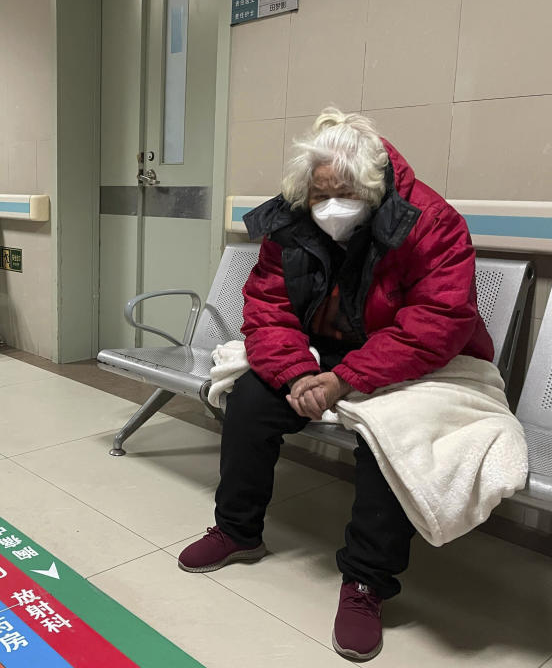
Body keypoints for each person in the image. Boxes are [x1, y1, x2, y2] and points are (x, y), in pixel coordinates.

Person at [177, 108, 493, 662]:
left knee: (387, 432)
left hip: (414, 359)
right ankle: (238, 530)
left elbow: (436, 324)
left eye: (342, 194)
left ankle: (367, 582)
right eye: (319, 195)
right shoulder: (293, 220)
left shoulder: (431, 222)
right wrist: (298, 372)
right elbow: (267, 307)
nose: (330, 207)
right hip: (324, 351)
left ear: (374, 187)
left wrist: (346, 380)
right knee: (252, 399)